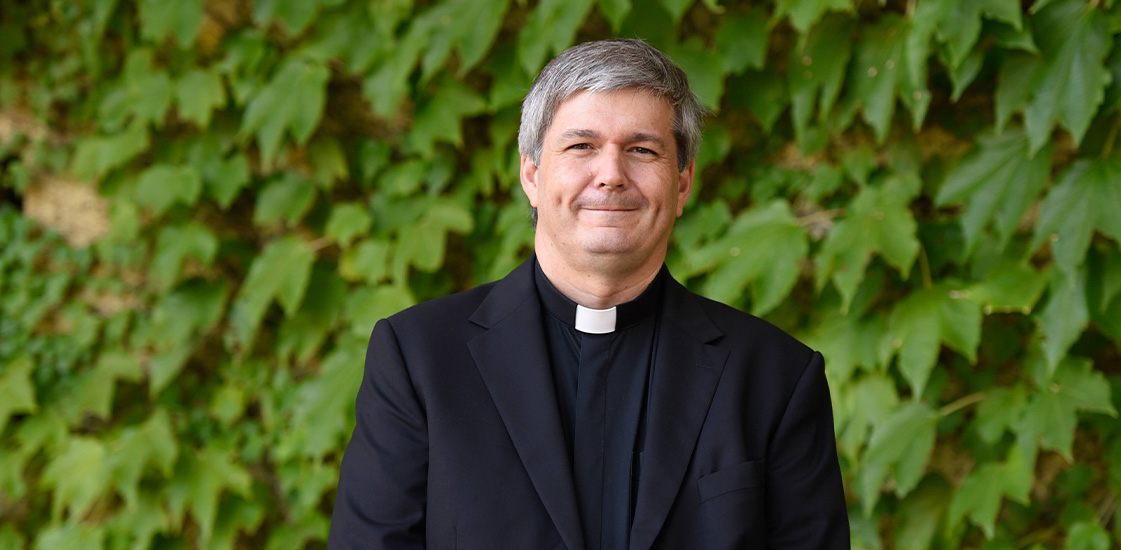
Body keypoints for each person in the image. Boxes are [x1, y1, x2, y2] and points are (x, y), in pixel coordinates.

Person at [329, 38, 849, 550]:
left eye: (642, 150)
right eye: (582, 146)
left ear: (683, 183)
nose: (611, 175)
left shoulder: (776, 377)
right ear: (532, 174)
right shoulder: (419, 358)